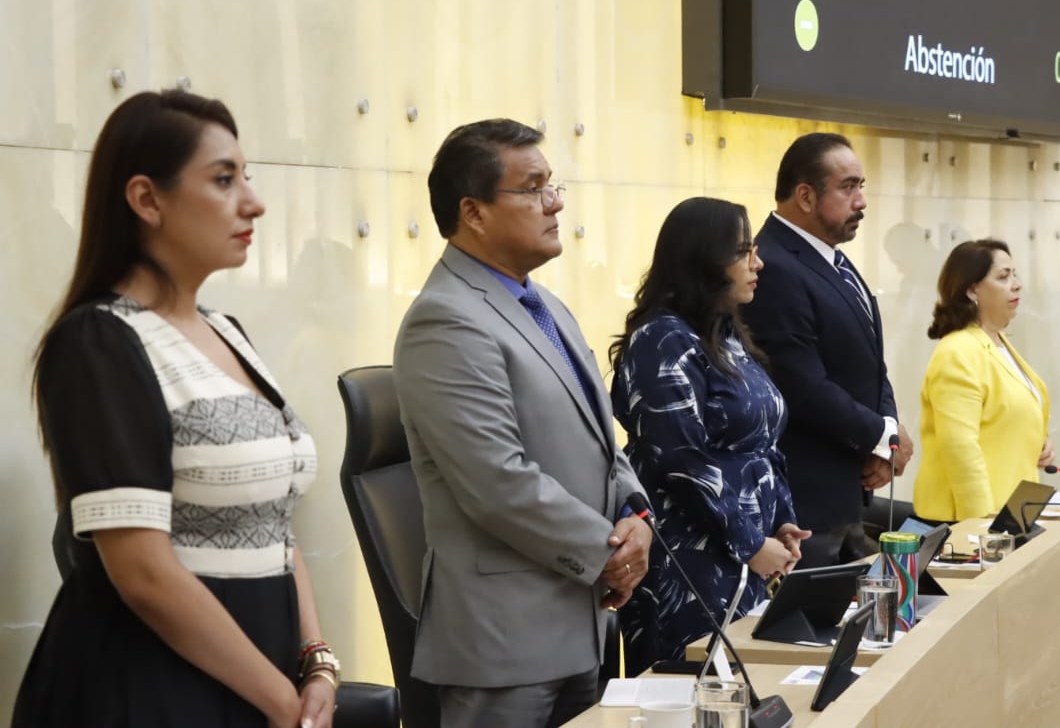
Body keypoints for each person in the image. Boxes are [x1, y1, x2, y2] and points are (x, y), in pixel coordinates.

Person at [13, 91, 337, 727]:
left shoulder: (227, 330)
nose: (254, 201)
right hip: (149, 688)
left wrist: (317, 662)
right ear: (146, 199)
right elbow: (142, 572)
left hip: (258, 677)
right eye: (223, 179)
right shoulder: (99, 341)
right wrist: (281, 703)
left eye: (247, 176)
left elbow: (274, 521)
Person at [393, 118, 651, 727]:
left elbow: (600, 438)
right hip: (504, 644)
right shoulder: (446, 320)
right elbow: (496, 482)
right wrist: (606, 553)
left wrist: (636, 516)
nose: (555, 202)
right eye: (533, 187)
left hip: (580, 625)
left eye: (553, 185)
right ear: (474, 212)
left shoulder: (542, 304)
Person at [609, 197, 809, 672]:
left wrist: (781, 522)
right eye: (743, 252)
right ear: (704, 259)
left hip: (742, 556)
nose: (757, 263)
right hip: (689, 561)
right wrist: (752, 544)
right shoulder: (662, 340)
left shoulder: (725, 336)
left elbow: (762, 446)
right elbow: (681, 462)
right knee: (693, 700)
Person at [742, 132, 913, 567]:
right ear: (805, 195)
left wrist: (885, 431)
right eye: (848, 187)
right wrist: (880, 435)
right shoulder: (775, 266)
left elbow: (869, 363)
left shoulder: (829, 257)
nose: (861, 201)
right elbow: (802, 385)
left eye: (862, 187)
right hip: (806, 507)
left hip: (846, 494)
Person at [913, 239, 1055, 522]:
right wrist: (978, 527)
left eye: (1015, 275)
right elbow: (961, 449)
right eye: (1003, 277)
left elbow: (1006, 416)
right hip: (970, 520)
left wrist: (1038, 441)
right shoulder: (957, 351)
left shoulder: (997, 343)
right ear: (971, 289)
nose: (1016, 284)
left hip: (1012, 510)